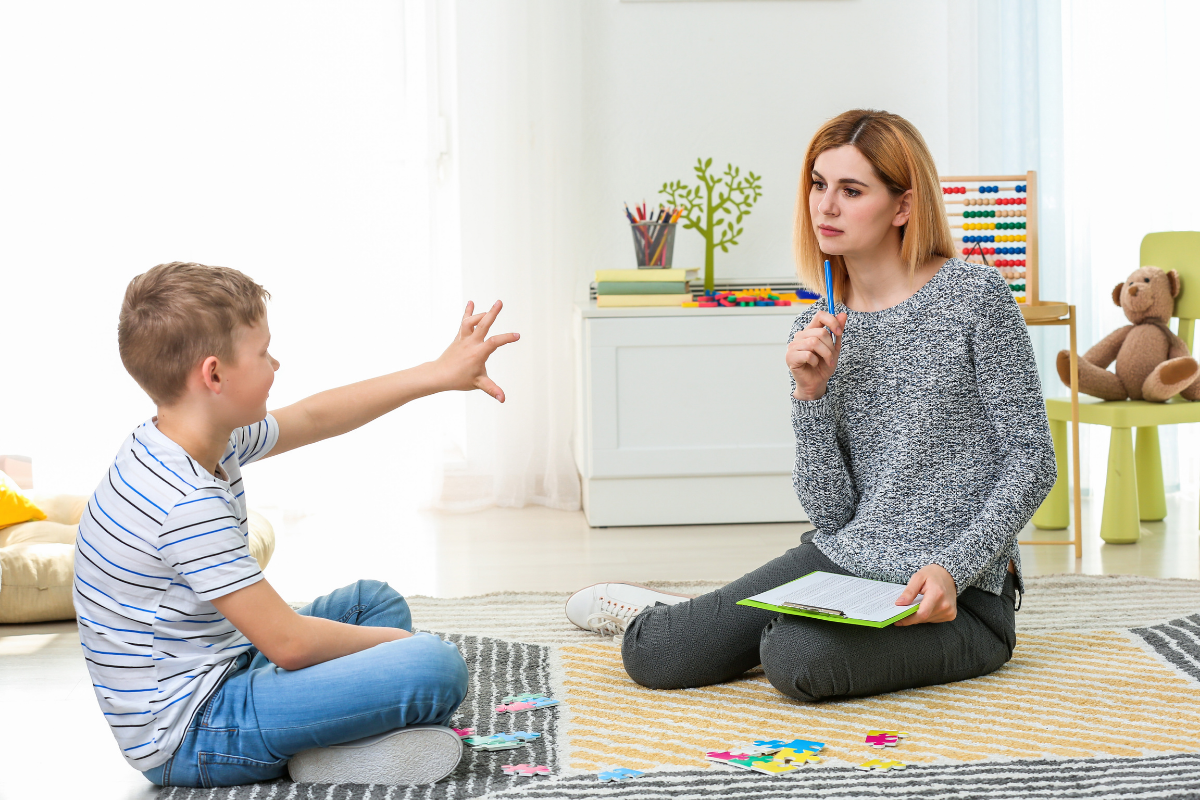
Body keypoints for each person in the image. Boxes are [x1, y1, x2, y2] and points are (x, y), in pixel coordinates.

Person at [565, 109, 1056, 702]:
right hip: (848, 559)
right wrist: (811, 396)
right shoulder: (819, 326)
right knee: (655, 654)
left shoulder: (976, 298)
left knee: (794, 655)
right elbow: (832, 510)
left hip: (963, 597)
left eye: (851, 191)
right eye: (819, 185)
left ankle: (727, 621)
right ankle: (677, 615)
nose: (825, 206)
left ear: (903, 206)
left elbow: (1032, 463)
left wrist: (955, 565)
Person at [73, 262, 519, 787]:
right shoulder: (183, 499)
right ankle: (330, 751)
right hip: (191, 732)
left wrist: (437, 374)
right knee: (435, 668)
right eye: (262, 353)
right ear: (214, 375)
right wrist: (398, 653)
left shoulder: (197, 434)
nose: (276, 363)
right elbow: (289, 644)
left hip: (226, 663)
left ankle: (335, 743)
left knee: (375, 602)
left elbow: (312, 417)